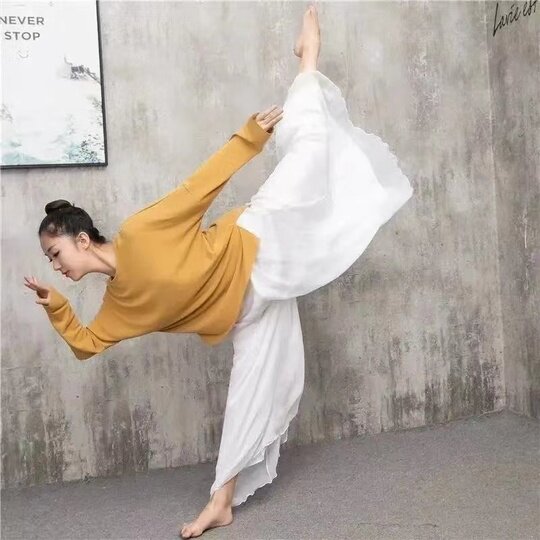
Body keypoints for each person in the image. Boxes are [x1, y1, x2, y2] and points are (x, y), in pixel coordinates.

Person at [25, 5, 414, 539]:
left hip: (256, 244)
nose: (56, 266)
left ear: (82, 239)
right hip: (247, 313)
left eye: (55, 253)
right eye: (50, 261)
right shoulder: (118, 309)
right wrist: (58, 308)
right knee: (245, 400)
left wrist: (248, 139)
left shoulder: (140, 232)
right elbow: (88, 344)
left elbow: (196, 190)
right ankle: (221, 503)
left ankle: (308, 61)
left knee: (309, 156)